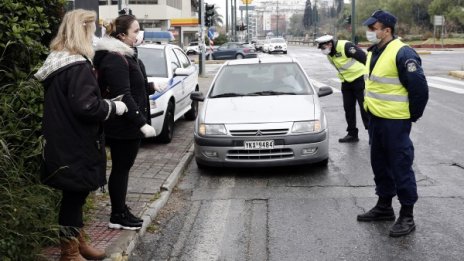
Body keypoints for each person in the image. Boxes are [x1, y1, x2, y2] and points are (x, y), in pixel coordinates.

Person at [35, 9, 128, 260]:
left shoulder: (59, 60)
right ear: (83, 29)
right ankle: (70, 252)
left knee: (74, 196)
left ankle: (78, 243)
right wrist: (112, 107)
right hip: (75, 143)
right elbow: (87, 107)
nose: (96, 35)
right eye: (93, 29)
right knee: (74, 198)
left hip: (63, 140)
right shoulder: (76, 66)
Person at [356, 10, 429, 237]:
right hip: (377, 121)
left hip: (395, 123)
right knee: (380, 164)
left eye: (373, 28)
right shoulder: (374, 52)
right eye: (369, 28)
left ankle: (407, 215)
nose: (369, 32)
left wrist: (410, 116)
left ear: (386, 30)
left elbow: (420, 90)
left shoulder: (402, 52)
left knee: (400, 166)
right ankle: (384, 206)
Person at [94, 14, 157, 230]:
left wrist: (149, 88)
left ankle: (120, 210)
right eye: (136, 31)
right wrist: (141, 123)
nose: (139, 35)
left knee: (123, 168)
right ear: (122, 35)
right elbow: (122, 95)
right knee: (121, 169)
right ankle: (117, 215)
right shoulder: (115, 57)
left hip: (128, 124)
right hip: (123, 126)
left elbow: (130, 85)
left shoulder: (127, 55)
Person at [315, 34, 369, 143]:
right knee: (348, 108)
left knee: (365, 108)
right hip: (346, 82)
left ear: (330, 44)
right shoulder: (330, 54)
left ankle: (372, 134)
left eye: (323, 47)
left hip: (360, 79)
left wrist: (370, 75)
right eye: (321, 48)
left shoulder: (346, 46)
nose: (322, 50)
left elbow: (364, 58)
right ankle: (352, 134)